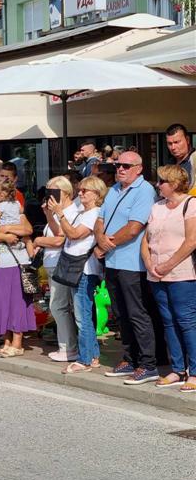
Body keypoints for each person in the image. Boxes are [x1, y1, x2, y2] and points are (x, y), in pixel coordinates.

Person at [95, 151, 161, 385]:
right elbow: (100, 218)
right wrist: (100, 239)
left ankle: (148, 363)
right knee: (121, 313)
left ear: (139, 168)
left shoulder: (144, 191)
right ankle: (130, 358)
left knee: (137, 314)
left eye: (125, 165)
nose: (120, 169)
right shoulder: (114, 189)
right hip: (112, 261)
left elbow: (134, 228)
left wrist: (105, 244)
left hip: (132, 264)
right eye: (117, 165)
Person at [141, 165, 196, 392]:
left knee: (186, 321)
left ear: (173, 184)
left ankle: (194, 371)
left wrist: (167, 265)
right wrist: (149, 264)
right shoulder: (157, 207)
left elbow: (191, 241)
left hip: (182, 273)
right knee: (168, 321)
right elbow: (146, 240)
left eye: (162, 181)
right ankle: (177, 368)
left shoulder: (190, 205)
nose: (158, 184)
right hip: (156, 274)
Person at [51, 176, 108, 374]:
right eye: (80, 189)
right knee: (83, 314)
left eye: (86, 190)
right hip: (78, 267)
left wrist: (61, 214)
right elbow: (64, 233)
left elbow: (75, 234)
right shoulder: (84, 212)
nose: (81, 193)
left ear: (97, 194)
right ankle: (92, 355)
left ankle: (84, 359)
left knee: (82, 315)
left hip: (84, 269)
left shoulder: (95, 213)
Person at [0, 210, 35, 357]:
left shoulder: (19, 213)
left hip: (17, 263)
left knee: (17, 304)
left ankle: (17, 343)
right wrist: (5, 237)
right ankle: (6, 341)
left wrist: (6, 229)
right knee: (1, 304)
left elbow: (28, 231)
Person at [34, 176, 74, 361]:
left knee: (59, 305)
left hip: (62, 263)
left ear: (65, 193)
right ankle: (65, 345)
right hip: (51, 264)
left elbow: (60, 238)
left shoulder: (71, 211)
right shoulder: (58, 212)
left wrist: (39, 241)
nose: (50, 194)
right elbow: (55, 233)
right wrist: (49, 215)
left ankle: (68, 347)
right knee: (58, 306)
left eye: (54, 191)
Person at [165, 123, 196, 193]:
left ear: (187, 140)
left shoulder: (194, 160)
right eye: (169, 143)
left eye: (177, 142)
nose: (173, 147)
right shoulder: (169, 163)